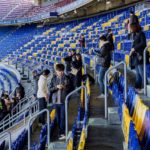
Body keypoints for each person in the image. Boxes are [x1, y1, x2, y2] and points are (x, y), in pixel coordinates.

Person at [49, 64, 71, 140]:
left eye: (62, 71)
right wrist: (56, 87)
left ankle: (62, 133)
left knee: (63, 117)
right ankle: (60, 131)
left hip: (64, 101)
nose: (61, 72)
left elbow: (70, 88)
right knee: (58, 117)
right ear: (56, 71)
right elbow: (50, 89)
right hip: (55, 102)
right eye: (59, 71)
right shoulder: (53, 78)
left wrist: (64, 87)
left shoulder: (67, 78)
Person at [129, 23, 147, 93]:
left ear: (134, 27)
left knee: (142, 73)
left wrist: (134, 49)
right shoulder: (135, 35)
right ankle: (137, 87)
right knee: (138, 74)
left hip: (140, 56)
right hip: (136, 57)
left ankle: (146, 87)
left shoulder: (141, 33)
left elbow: (143, 43)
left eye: (131, 28)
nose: (130, 30)